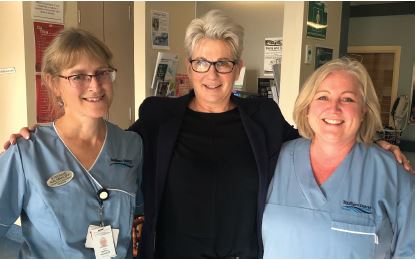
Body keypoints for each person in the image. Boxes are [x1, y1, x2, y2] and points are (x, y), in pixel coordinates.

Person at [2, 10, 412, 258]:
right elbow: (103, 149)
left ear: (237, 67)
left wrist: (369, 144)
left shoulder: (263, 118)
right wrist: (40, 140)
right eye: (201, 62)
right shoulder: (158, 118)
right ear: (189, 65)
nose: (212, 75)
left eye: (223, 63)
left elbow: (316, 140)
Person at [0, 28, 143, 258]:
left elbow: (141, 213)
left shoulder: (132, 146)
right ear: (53, 83)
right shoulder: (27, 152)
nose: (95, 86)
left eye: (102, 73)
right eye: (78, 76)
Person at [262, 58, 415, 258]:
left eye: (348, 99)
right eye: (323, 97)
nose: (333, 108)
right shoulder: (273, 161)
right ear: (307, 107)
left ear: (364, 111)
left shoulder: (392, 174)